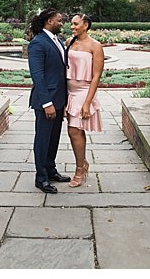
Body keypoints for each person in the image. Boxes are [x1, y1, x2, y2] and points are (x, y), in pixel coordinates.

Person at [27, 8, 71, 193]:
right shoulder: (37, 44)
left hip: (59, 100)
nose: (62, 23)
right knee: (43, 140)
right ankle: (41, 178)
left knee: (53, 139)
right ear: (49, 21)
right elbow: (38, 76)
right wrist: (47, 103)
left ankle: (51, 170)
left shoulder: (57, 41)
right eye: (59, 20)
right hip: (46, 102)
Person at [64, 13, 104, 188]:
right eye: (71, 24)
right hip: (68, 91)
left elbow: (96, 76)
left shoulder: (95, 46)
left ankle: (80, 169)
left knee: (74, 130)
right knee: (73, 131)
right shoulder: (69, 42)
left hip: (83, 91)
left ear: (85, 25)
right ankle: (83, 163)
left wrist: (87, 102)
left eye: (75, 24)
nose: (72, 27)